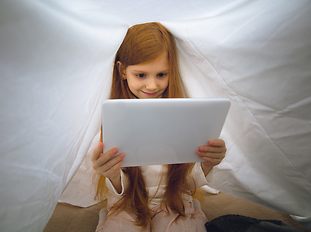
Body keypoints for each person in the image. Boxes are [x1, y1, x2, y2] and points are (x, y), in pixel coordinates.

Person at [91, 22, 226, 232]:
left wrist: (209, 163)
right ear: (123, 71)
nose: (152, 85)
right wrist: (111, 174)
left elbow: (188, 184)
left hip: (173, 204)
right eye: (141, 75)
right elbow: (119, 189)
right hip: (127, 204)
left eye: (161, 74)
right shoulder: (113, 116)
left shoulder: (183, 115)